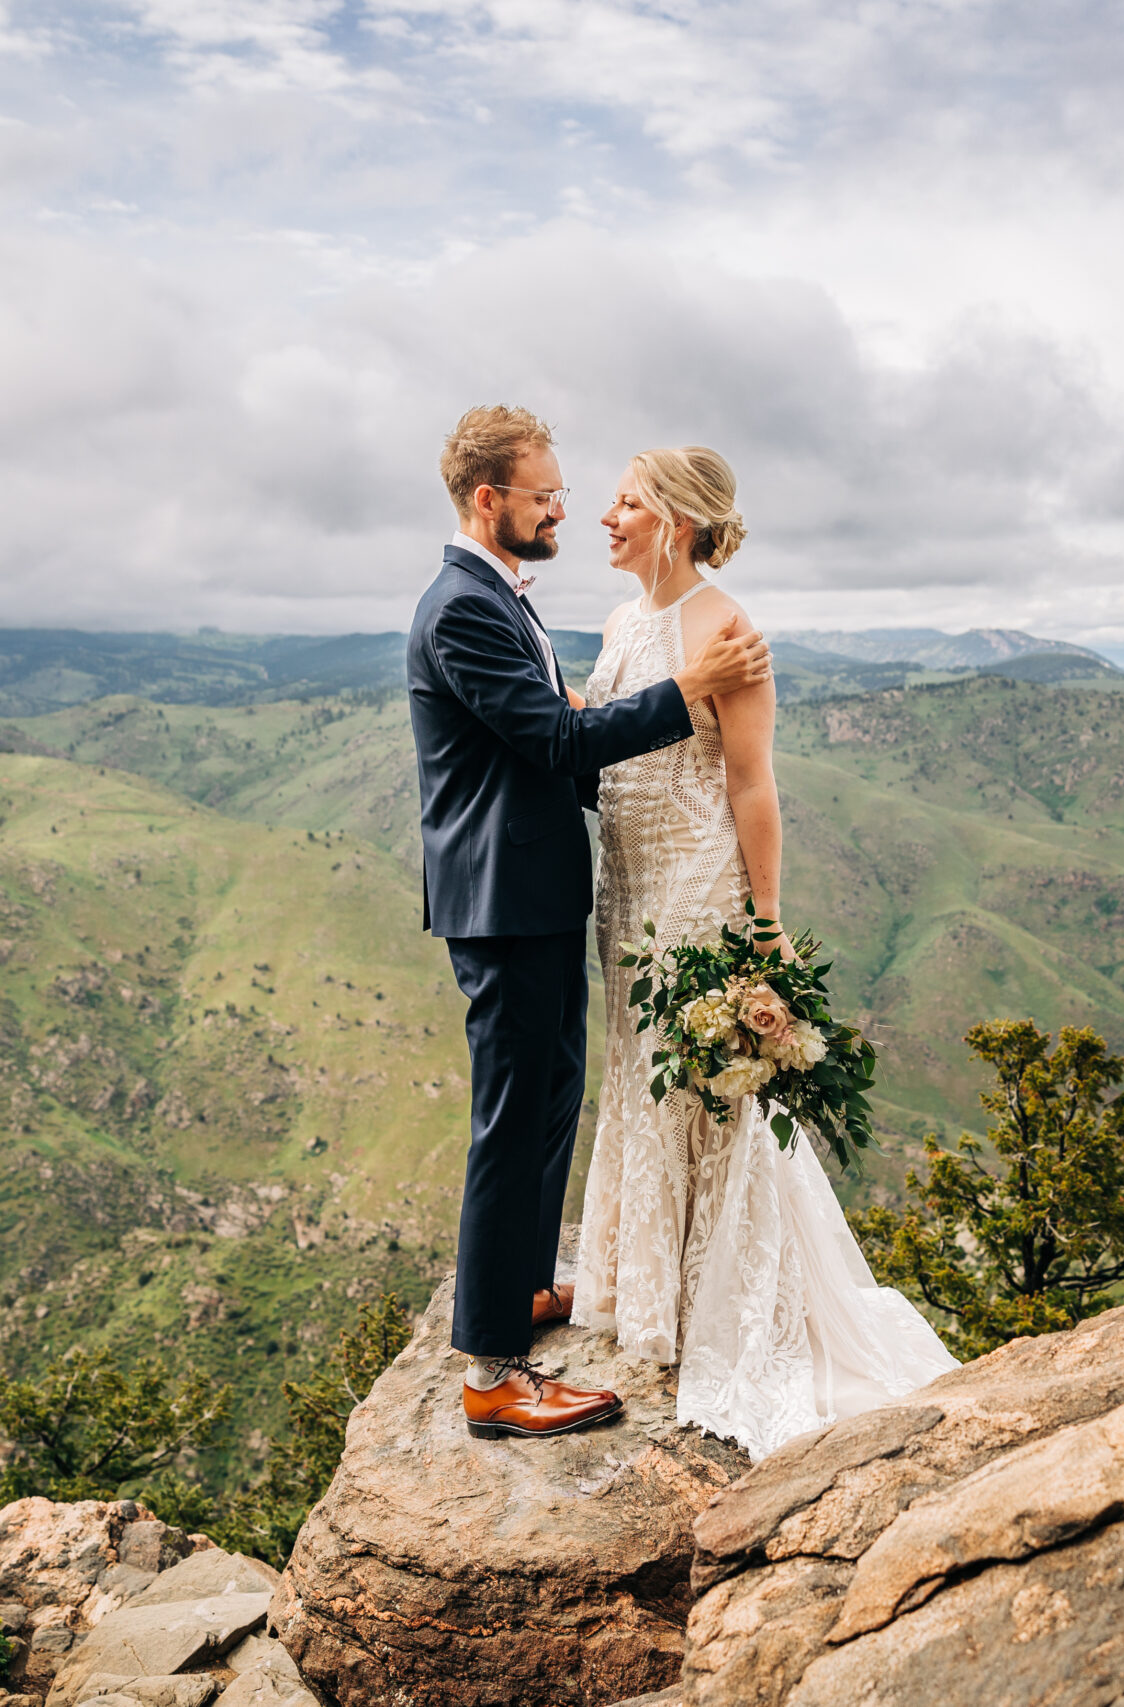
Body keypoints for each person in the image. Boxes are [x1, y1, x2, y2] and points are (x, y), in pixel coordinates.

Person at [571, 446, 956, 1460]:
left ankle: (727, 1305)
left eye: (626, 500)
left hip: (695, 881)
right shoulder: (621, 623)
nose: (604, 514)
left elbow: (750, 782)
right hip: (627, 887)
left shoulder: (728, 628)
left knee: (698, 1088)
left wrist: (766, 914)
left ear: (678, 519)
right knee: (634, 1073)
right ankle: (652, 1291)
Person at [407, 405, 774, 1442]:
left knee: (552, 1100)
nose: (564, 510)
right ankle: (493, 1374)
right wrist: (686, 689)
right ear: (492, 500)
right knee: (512, 1123)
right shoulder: (464, 607)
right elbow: (552, 742)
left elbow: (547, 730)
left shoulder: (493, 596)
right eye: (545, 495)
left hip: (540, 898)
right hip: (502, 903)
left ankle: (523, 1289)